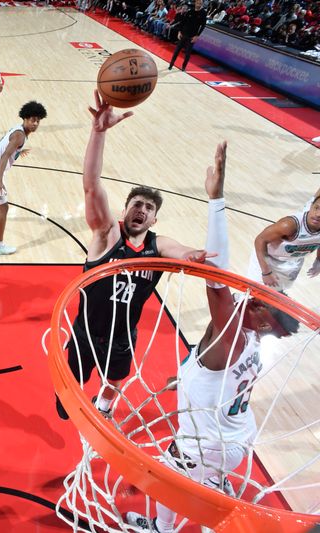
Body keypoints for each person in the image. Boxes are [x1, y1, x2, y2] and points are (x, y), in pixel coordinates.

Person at [126, 142, 299, 532]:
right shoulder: (255, 341)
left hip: (212, 441)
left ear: (263, 319)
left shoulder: (235, 333)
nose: (248, 297)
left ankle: (163, 528)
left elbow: (216, 277)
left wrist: (216, 201)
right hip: (236, 436)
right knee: (204, 481)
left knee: (166, 480)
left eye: (257, 303)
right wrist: (185, 379)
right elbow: (218, 374)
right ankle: (210, 489)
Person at [55, 91, 212, 421]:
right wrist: (98, 133)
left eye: (149, 208)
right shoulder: (107, 234)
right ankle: (76, 391)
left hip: (123, 335)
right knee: (66, 402)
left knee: (115, 380)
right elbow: (90, 185)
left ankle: (105, 403)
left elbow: (181, 252)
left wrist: (193, 255)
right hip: (86, 331)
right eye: (136, 204)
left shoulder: (158, 244)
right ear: (124, 211)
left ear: (154, 219)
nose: (142, 209)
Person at [0, 100, 47, 255]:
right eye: (32, 120)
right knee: (3, 207)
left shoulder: (18, 130)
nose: (35, 123)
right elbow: (4, 156)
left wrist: (18, 152)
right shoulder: (19, 136)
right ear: (25, 119)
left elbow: (6, 147)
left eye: (38, 120)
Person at [247, 189, 320, 291]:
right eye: (316, 208)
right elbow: (260, 240)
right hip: (268, 259)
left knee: (277, 295)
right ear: (311, 206)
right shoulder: (289, 225)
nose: (318, 214)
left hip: (292, 263)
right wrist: (266, 271)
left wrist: (318, 260)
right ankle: (237, 299)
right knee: (254, 293)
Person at [168, 0, 207, 71]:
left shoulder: (203, 13)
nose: (199, 5)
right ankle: (171, 64)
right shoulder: (190, 11)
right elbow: (183, 22)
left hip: (192, 36)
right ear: (195, 3)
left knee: (187, 53)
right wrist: (179, 32)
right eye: (198, 3)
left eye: (200, 4)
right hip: (183, 34)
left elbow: (203, 26)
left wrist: (197, 36)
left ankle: (183, 67)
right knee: (177, 51)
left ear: (202, 4)